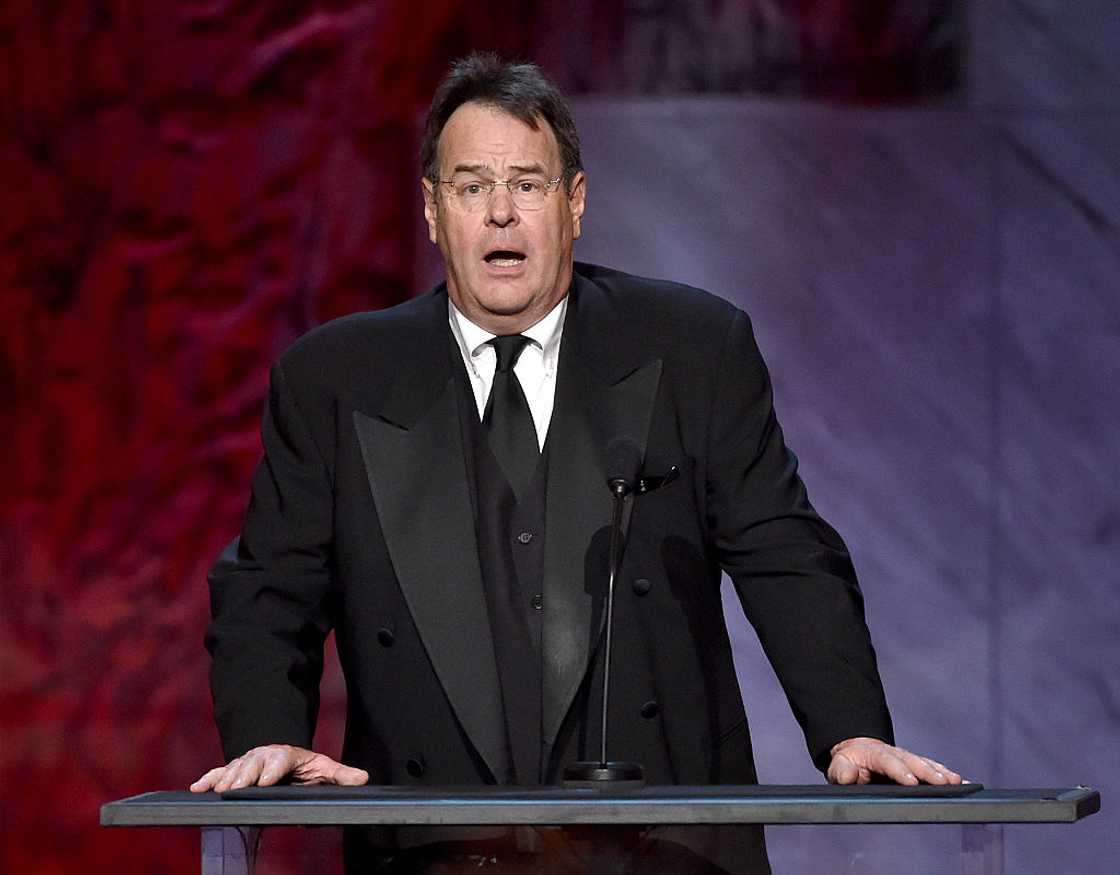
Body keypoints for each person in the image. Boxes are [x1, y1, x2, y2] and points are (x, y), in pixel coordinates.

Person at [191, 53, 961, 872]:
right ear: (430, 208)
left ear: (576, 202)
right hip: (435, 848)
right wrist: (269, 735)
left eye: (527, 184)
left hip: (658, 847)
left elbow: (784, 551)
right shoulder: (335, 378)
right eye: (471, 185)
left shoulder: (692, 347)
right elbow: (271, 584)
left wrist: (851, 726)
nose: (499, 213)